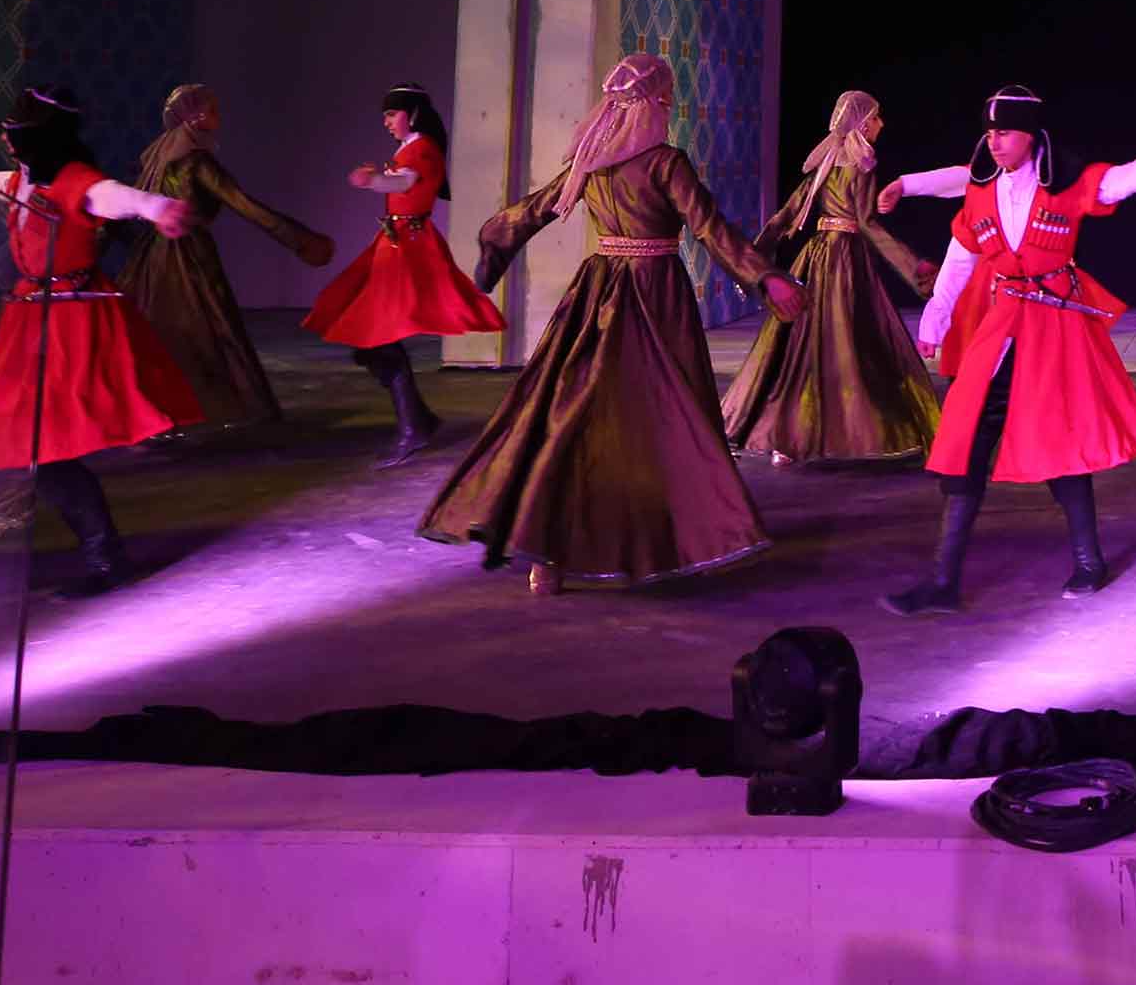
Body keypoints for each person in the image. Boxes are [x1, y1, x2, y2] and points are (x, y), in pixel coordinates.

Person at [419, 55, 803, 595]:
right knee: (668, 414)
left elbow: (533, 210)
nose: (668, 108)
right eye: (666, 99)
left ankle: (548, 555)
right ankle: (672, 537)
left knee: (575, 414)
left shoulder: (591, 161)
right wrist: (766, 278)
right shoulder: (665, 163)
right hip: (653, 293)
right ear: (656, 102)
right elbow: (712, 230)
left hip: (598, 291)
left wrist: (494, 241)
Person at [874, 87, 1136, 613]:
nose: (995, 141)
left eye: (1005, 132)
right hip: (999, 329)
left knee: (1060, 443)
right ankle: (943, 582)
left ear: (1030, 135)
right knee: (964, 446)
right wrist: (935, 320)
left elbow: (1126, 178)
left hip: (1052, 332)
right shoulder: (982, 190)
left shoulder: (1065, 185)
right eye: (989, 132)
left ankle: (1088, 561)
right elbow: (960, 258)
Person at [0, 85, 199, 599]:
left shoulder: (76, 182)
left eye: (15, 136)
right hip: (26, 326)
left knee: (31, 448)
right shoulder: (22, 179)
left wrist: (159, 208)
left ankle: (103, 559)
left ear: (41, 138)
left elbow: (117, 198)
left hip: (65, 327)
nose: (8, 144)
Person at [722, 89, 942, 465]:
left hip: (816, 256)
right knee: (857, 343)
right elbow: (868, 225)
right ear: (860, 123)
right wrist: (915, 269)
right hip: (845, 261)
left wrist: (753, 264)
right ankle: (859, 430)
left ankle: (785, 438)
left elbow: (783, 218)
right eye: (875, 117)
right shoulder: (861, 164)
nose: (881, 124)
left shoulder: (826, 164)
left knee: (805, 345)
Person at [301, 82, 503, 467]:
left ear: (411, 113)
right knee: (367, 337)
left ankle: (415, 427)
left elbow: (404, 182)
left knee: (377, 336)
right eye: (384, 116)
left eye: (391, 115)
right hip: (393, 242)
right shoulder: (407, 148)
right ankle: (419, 421)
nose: (386, 123)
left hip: (408, 245)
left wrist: (373, 181)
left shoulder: (422, 147)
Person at [126, 83, 333, 436]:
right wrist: (300, 240)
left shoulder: (155, 159)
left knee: (162, 335)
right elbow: (245, 205)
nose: (219, 117)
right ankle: (236, 410)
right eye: (214, 109)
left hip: (151, 259)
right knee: (214, 330)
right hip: (188, 258)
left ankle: (164, 414)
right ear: (197, 116)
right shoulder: (196, 163)